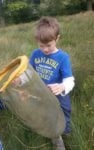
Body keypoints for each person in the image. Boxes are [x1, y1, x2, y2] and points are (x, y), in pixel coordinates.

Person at [29, 17, 75, 149]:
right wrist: (21, 79)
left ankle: (66, 132)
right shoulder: (35, 54)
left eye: (48, 45)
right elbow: (30, 72)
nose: (45, 49)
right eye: (41, 45)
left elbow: (69, 80)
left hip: (59, 95)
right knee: (47, 115)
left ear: (57, 38)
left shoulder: (63, 57)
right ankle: (56, 138)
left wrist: (62, 86)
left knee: (64, 113)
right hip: (42, 94)